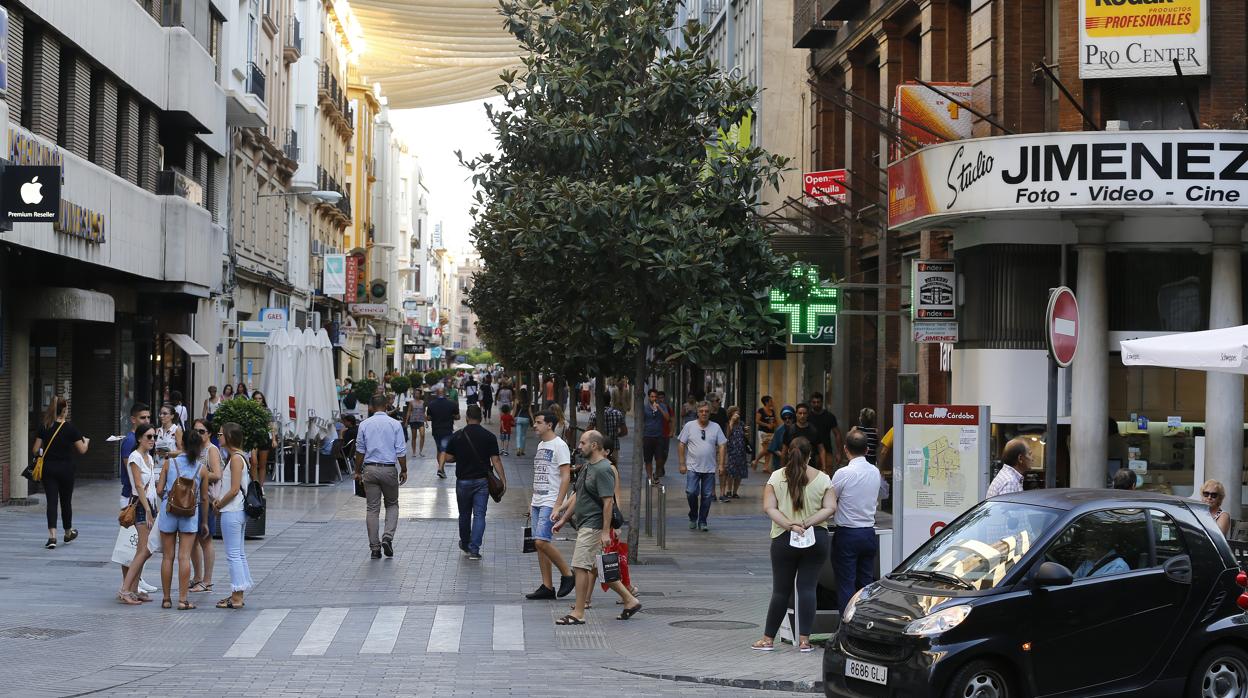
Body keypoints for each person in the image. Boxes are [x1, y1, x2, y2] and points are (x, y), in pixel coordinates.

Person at [753, 437, 837, 652]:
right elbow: (830, 508)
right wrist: (806, 523)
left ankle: (768, 639)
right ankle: (804, 641)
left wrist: (790, 525)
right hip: (815, 538)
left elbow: (769, 508)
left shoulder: (776, 477)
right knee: (808, 588)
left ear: (788, 453)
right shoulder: (823, 479)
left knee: (781, 591)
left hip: (783, 538)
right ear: (811, 456)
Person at [551, 429, 642, 625]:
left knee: (579, 566)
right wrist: (563, 518)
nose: (579, 446)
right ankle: (630, 600)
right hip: (585, 524)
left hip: (593, 527)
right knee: (597, 569)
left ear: (594, 445)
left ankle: (578, 612)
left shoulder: (603, 469)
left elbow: (608, 502)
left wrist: (605, 532)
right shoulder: (587, 467)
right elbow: (579, 496)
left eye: (583, 443)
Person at [830, 429, 888, 613]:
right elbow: (883, 493)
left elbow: (830, 499)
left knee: (846, 583)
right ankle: (866, 622)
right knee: (866, 585)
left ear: (846, 449)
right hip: (868, 533)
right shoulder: (874, 472)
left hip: (847, 534)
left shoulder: (843, 473)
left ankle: (845, 629)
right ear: (867, 449)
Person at [525, 410, 576, 600]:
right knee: (540, 544)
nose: (535, 425)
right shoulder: (541, 445)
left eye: (538, 422)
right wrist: (532, 501)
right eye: (535, 422)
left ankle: (568, 574)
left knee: (541, 541)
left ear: (549, 425)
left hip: (551, 500)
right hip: (538, 500)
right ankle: (547, 586)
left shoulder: (559, 445)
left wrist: (557, 506)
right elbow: (540, 474)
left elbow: (565, 477)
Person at [442, 405, 505, 560]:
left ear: (467, 417)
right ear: (481, 418)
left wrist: (460, 457)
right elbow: (495, 460)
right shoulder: (489, 436)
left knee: (464, 515)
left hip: (463, 481)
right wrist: (503, 480)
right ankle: (474, 549)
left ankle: (465, 543)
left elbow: (448, 458)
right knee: (479, 515)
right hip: (482, 482)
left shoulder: (458, 436)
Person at [157, 428, 210, 610]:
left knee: (167, 557)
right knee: (184, 557)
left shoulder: (169, 463)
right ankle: (182, 600)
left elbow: (158, 490)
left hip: (169, 511)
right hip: (189, 515)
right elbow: (204, 498)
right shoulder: (202, 469)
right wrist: (204, 522)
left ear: (182, 444)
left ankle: (165, 599)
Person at [355, 394, 409, 559]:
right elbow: (400, 450)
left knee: (372, 509)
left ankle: (375, 548)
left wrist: (357, 471)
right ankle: (387, 536)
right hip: (388, 469)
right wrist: (404, 469)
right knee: (392, 504)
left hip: (370, 470)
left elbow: (360, 451)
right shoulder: (395, 424)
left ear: (371, 407)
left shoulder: (364, 425)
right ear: (387, 405)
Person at [32, 397, 89, 549]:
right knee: (65, 501)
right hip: (66, 469)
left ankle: (52, 537)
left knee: (51, 502)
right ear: (64, 410)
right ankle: (68, 532)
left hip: (48, 469)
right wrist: (87, 442)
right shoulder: (70, 429)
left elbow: (35, 449)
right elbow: (82, 450)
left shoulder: (44, 426)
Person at [115, 403, 157, 594]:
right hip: (134, 502)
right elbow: (136, 482)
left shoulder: (148, 456)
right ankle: (129, 588)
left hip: (146, 503)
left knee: (141, 548)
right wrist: (147, 508)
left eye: (148, 418)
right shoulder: (132, 449)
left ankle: (134, 585)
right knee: (133, 548)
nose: (146, 420)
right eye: (143, 418)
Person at [213, 423, 255, 610]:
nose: (218, 436)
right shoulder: (239, 457)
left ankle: (237, 596)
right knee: (238, 553)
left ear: (229, 436)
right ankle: (238, 593)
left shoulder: (236, 458)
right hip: (237, 510)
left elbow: (234, 489)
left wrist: (219, 504)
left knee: (233, 555)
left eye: (220, 433)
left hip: (232, 510)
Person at [677, 402, 727, 531]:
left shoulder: (715, 427)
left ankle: (703, 521)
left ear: (710, 413)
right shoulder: (689, 426)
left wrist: (721, 464)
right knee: (691, 492)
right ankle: (693, 515)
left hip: (709, 468)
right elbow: (681, 444)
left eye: (706, 411)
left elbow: (722, 445)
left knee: (707, 496)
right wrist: (682, 463)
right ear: (697, 413)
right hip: (693, 467)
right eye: (701, 411)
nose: (704, 413)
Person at [187, 419, 222, 596]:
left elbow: (217, 474)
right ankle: (197, 577)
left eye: (202, 431)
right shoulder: (196, 450)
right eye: (195, 431)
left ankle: (207, 580)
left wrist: (198, 474)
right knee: (192, 541)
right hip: (192, 500)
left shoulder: (211, 450)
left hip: (205, 500)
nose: (198, 434)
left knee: (205, 539)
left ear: (209, 434)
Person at [427, 387, 460, 478]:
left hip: (436, 431)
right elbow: (458, 417)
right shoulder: (451, 404)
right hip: (447, 430)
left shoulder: (431, 404)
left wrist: (435, 417)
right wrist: (450, 416)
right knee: (444, 449)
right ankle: (440, 469)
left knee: (439, 449)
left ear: (437, 394)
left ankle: (442, 470)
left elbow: (428, 418)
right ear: (445, 393)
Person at [642, 388, 671, 486]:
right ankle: (650, 478)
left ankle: (656, 475)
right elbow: (642, 422)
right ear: (649, 397)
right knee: (648, 459)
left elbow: (667, 418)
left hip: (659, 436)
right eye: (652, 396)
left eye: (655, 397)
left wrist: (660, 408)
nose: (654, 399)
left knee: (660, 459)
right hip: (647, 436)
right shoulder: (645, 408)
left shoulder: (662, 406)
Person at [783, 404, 825, 469]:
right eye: (800, 413)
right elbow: (784, 451)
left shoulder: (814, 430)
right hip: (793, 467)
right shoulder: (790, 431)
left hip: (810, 467)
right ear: (796, 414)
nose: (802, 416)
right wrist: (783, 468)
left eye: (804, 413)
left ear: (807, 414)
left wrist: (824, 468)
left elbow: (821, 449)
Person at [589, 394, 626, 466]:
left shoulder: (595, 414)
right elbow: (624, 431)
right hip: (614, 445)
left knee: (599, 467)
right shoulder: (618, 414)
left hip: (599, 446)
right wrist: (616, 435)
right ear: (610, 400)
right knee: (613, 467)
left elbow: (588, 432)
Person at [807, 392, 842, 469]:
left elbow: (837, 434)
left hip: (827, 451)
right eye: (814, 402)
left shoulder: (829, 416)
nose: (816, 404)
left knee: (826, 476)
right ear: (811, 403)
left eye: (818, 402)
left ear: (822, 402)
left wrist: (839, 453)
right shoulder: (807, 416)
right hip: (811, 453)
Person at [722, 407, 749, 501]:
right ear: (731, 414)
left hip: (741, 451)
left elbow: (745, 435)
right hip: (731, 450)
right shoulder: (728, 423)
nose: (737, 415)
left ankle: (735, 491)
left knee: (739, 472)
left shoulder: (741, 423)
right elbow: (727, 435)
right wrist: (732, 422)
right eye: (735, 413)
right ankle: (729, 490)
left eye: (738, 413)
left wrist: (746, 432)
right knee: (731, 472)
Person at [752, 395, 778, 471]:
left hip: (771, 432)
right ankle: (755, 460)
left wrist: (774, 425)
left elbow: (775, 421)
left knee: (769, 450)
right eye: (771, 401)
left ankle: (765, 467)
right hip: (763, 432)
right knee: (766, 449)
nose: (772, 402)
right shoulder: (761, 410)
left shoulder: (772, 411)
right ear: (766, 402)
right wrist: (767, 425)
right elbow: (757, 421)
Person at [514, 388, 534, 457]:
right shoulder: (528, 401)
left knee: (518, 435)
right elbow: (530, 412)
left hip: (519, 419)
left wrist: (512, 417)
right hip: (526, 419)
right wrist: (533, 421)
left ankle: (518, 449)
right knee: (523, 435)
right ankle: (522, 450)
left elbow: (515, 410)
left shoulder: (517, 400)